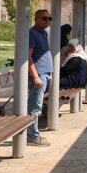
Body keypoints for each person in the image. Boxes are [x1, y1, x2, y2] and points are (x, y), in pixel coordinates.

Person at [26, 9, 53, 147]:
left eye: (49, 18)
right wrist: (35, 76)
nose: (47, 21)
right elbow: (28, 56)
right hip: (38, 76)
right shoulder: (32, 33)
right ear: (36, 19)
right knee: (35, 106)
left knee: (37, 104)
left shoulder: (43, 33)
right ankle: (32, 136)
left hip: (45, 74)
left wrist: (49, 73)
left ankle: (33, 133)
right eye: (44, 18)